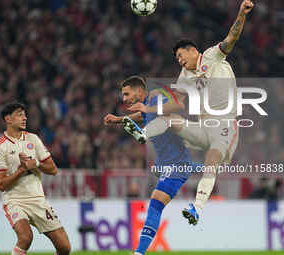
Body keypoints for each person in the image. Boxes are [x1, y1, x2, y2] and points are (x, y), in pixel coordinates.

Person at [124, 0, 255, 226]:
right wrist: (148, 110)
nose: (180, 60)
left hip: (225, 125)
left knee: (211, 160)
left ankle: (196, 207)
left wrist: (241, 14)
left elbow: (231, 38)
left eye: (181, 56)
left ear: (194, 51)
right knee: (170, 119)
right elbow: (177, 104)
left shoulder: (213, 56)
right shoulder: (184, 77)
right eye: (176, 59)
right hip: (203, 127)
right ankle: (144, 134)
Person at [104, 76, 202, 255]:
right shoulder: (148, 105)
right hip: (167, 161)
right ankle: (205, 167)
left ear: (139, 91)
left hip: (176, 161)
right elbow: (144, 115)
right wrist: (119, 119)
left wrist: (146, 110)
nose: (124, 98)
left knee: (155, 205)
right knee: (157, 172)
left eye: (127, 94)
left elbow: (176, 107)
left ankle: (139, 253)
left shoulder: (156, 96)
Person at [0, 102, 71, 255]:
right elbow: (1, 184)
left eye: (25, 114)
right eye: (20, 114)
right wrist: (22, 169)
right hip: (15, 200)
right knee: (26, 238)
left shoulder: (33, 139)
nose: (25, 118)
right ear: (8, 119)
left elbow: (53, 170)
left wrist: (36, 164)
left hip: (38, 199)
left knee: (64, 248)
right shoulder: (0, 148)